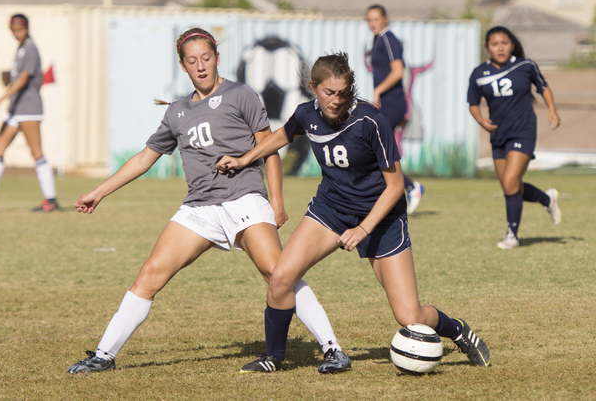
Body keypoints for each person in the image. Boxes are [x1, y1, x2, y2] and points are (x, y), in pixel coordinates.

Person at [67, 28, 349, 375]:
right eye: (192, 61)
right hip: (200, 208)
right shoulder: (177, 112)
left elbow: (270, 147)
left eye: (206, 57)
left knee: (279, 274)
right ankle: (103, 355)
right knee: (150, 274)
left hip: (244, 199)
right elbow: (144, 158)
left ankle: (333, 349)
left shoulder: (241, 94)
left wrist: (276, 201)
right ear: (183, 66)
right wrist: (99, 192)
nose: (201, 66)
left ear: (217, 57)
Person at [216, 52, 490, 373]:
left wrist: (364, 229)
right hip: (331, 210)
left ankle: (457, 329)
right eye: (328, 92)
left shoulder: (371, 120)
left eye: (343, 93)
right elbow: (282, 135)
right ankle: (274, 357)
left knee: (410, 317)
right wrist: (244, 159)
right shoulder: (307, 114)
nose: (336, 100)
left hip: (381, 218)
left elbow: (395, 186)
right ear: (313, 87)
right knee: (280, 278)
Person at [467, 26, 561, 250]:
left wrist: (552, 110)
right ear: (487, 48)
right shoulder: (479, 73)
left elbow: (544, 88)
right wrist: (481, 120)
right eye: (495, 44)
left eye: (505, 43)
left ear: (512, 44)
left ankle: (512, 235)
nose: (500, 48)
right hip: (498, 135)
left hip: (523, 131)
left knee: (510, 182)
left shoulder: (526, 66)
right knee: (511, 187)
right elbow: (472, 104)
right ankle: (548, 200)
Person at [0, 13, 58, 212]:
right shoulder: (21, 49)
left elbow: (23, 79)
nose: (17, 34)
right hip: (15, 110)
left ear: (27, 29)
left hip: (29, 110)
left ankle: (50, 200)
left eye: (20, 30)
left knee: (36, 153)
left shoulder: (31, 48)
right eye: (14, 31)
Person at [366, 4, 423, 215]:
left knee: (376, 146)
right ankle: (396, 191)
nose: (372, 23)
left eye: (376, 19)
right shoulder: (378, 40)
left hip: (394, 103)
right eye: (369, 19)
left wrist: (378, 91)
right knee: (377, 148)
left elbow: (398, 71)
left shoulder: (389, 38)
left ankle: (410, 187)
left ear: (385, 19)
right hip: (387, 103)